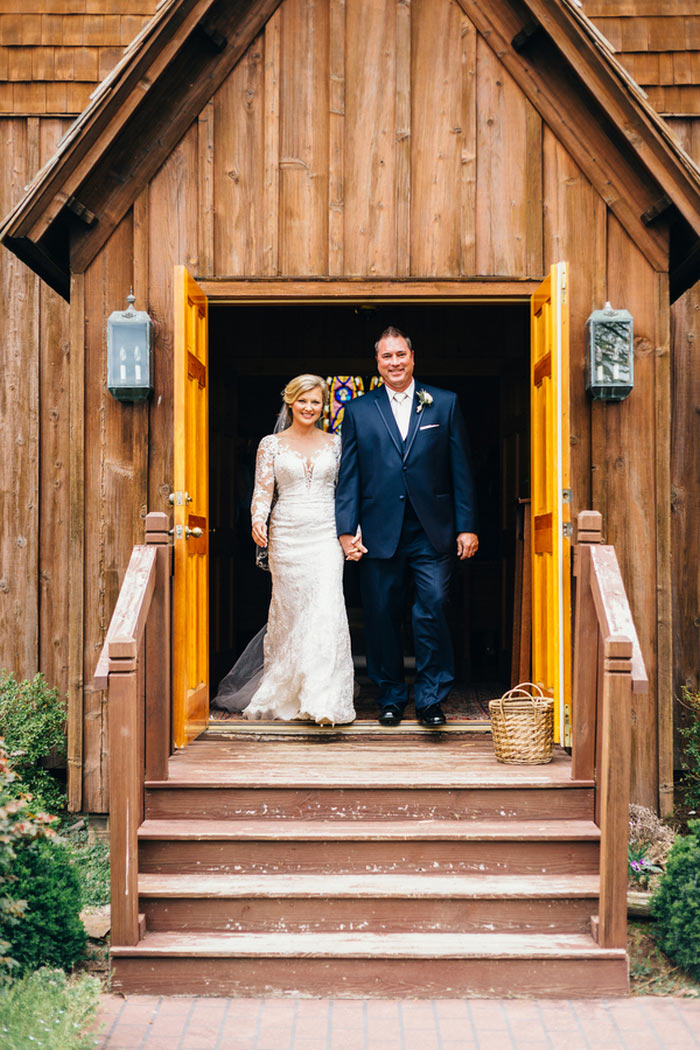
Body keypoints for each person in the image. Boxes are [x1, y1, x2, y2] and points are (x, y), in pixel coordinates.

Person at [335, 326, 478, 727]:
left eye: (401, 355)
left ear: (412, 357)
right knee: (381, 614)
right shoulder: (359, 410)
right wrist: (346, 529)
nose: (394, 362)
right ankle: (391, 696)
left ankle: (431, 699)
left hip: (433, 530)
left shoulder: (443, 404)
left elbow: (460, 469)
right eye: (387, 356)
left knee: (431, 608)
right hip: (379, 530)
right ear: (377, 363)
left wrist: (467, 526)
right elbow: (350, 474)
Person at [214, 375, 355, 725]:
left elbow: (346, 493)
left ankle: (322, 698)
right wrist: (257, 520)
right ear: (290, 402)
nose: (310, 408)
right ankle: (285, 691)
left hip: (325, 534)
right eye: (303, 401)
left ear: (324, 406)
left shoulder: (336, 444)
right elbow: (262, 491)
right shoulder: (271, 445)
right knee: (291, 615)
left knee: (326, 608)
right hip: (287, 536)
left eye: (316, 402)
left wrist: (353, 532)